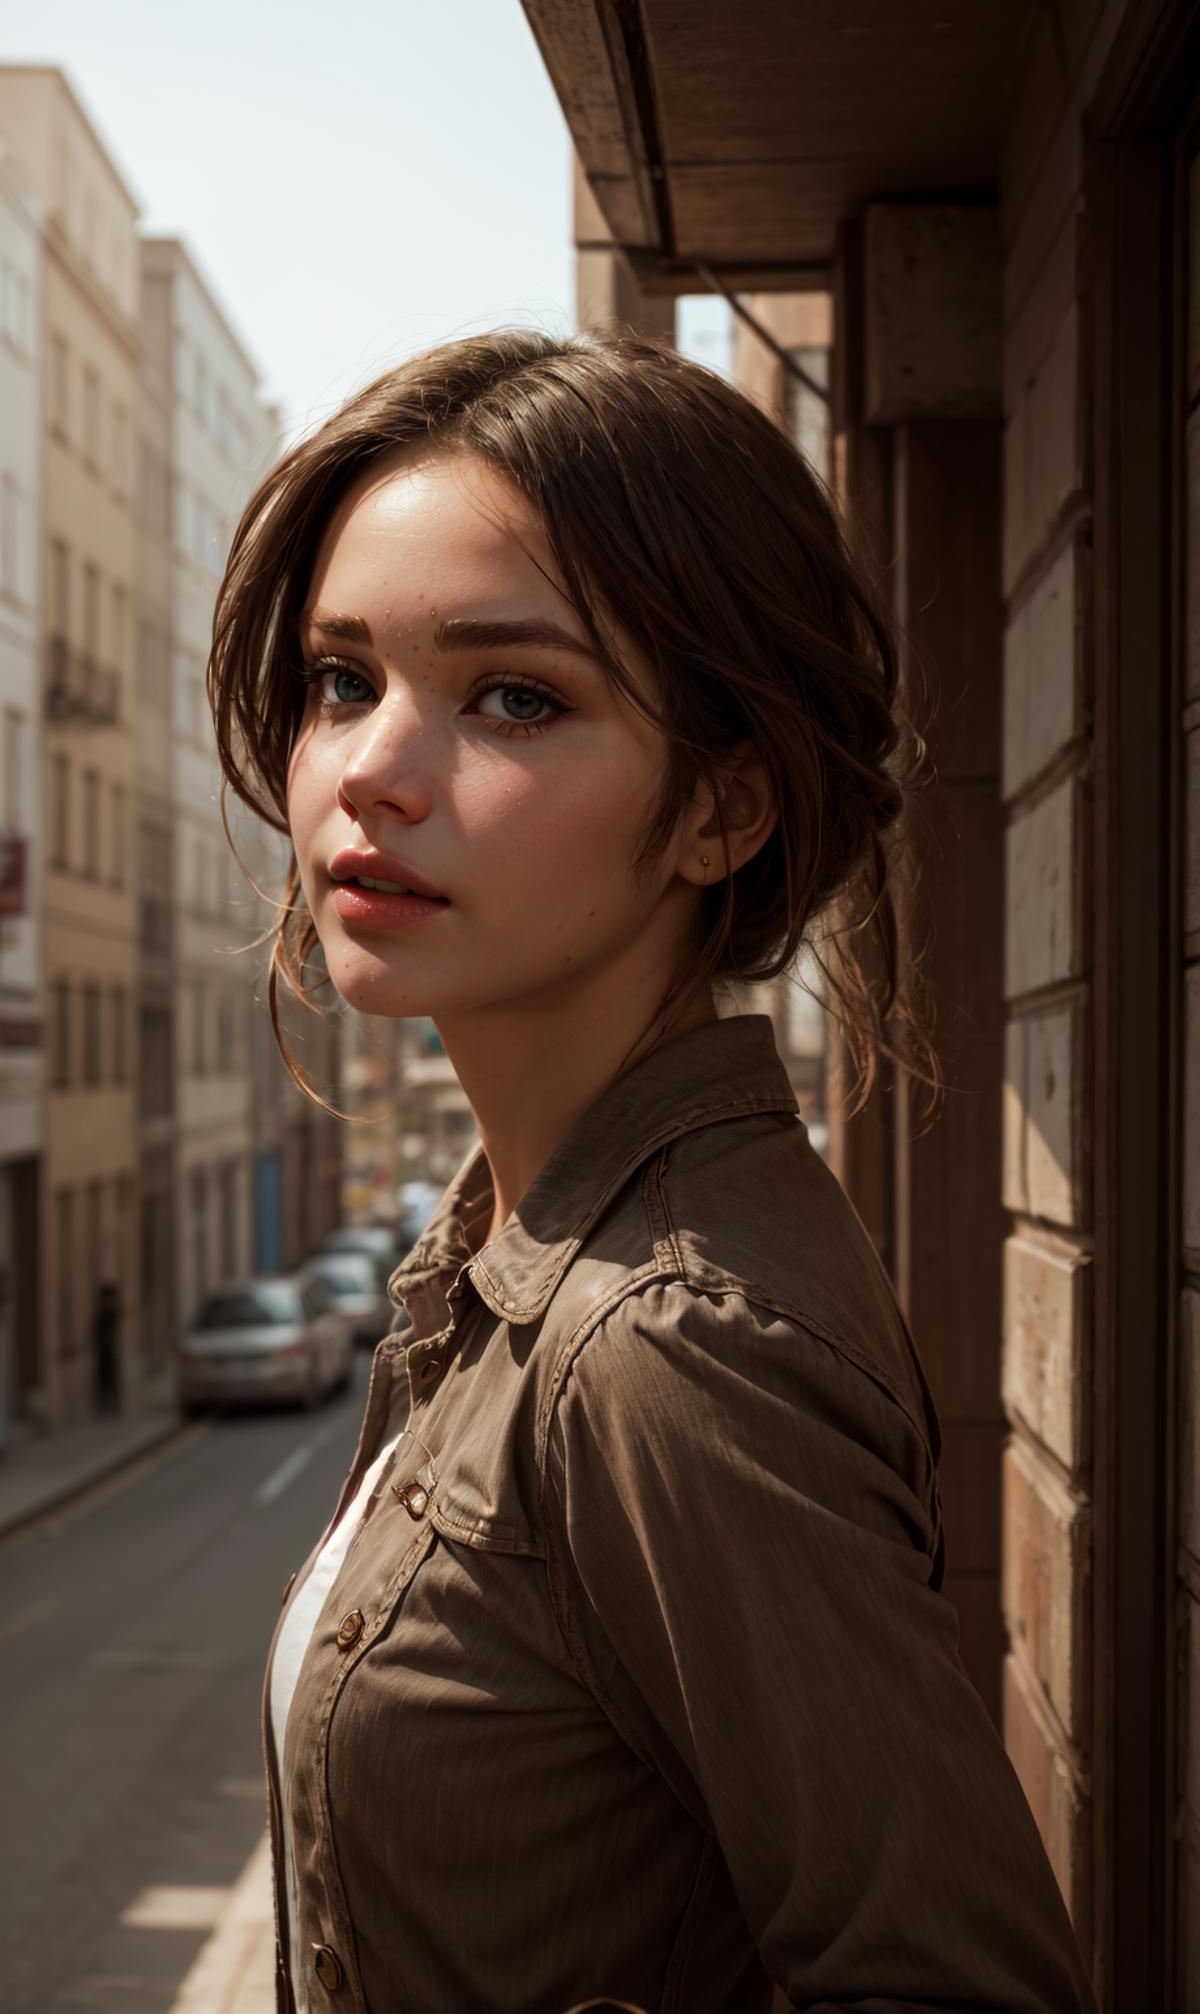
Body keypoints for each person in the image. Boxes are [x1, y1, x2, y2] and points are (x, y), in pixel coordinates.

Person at [209, 330, 1095, 2014]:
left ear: (723, 807)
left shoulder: (667, 1342)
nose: (374, 771)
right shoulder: (516, 1256)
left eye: (513, 697)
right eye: (343, 678)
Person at [92, 1279, 121, 1416]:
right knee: (106, 1379)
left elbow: (107, 1331)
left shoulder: (109, 1311)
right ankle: (107, 1405)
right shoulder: (107, 1310)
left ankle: (111, 1406)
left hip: (108, 1350)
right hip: (106, 1350)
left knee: (109, 1379)